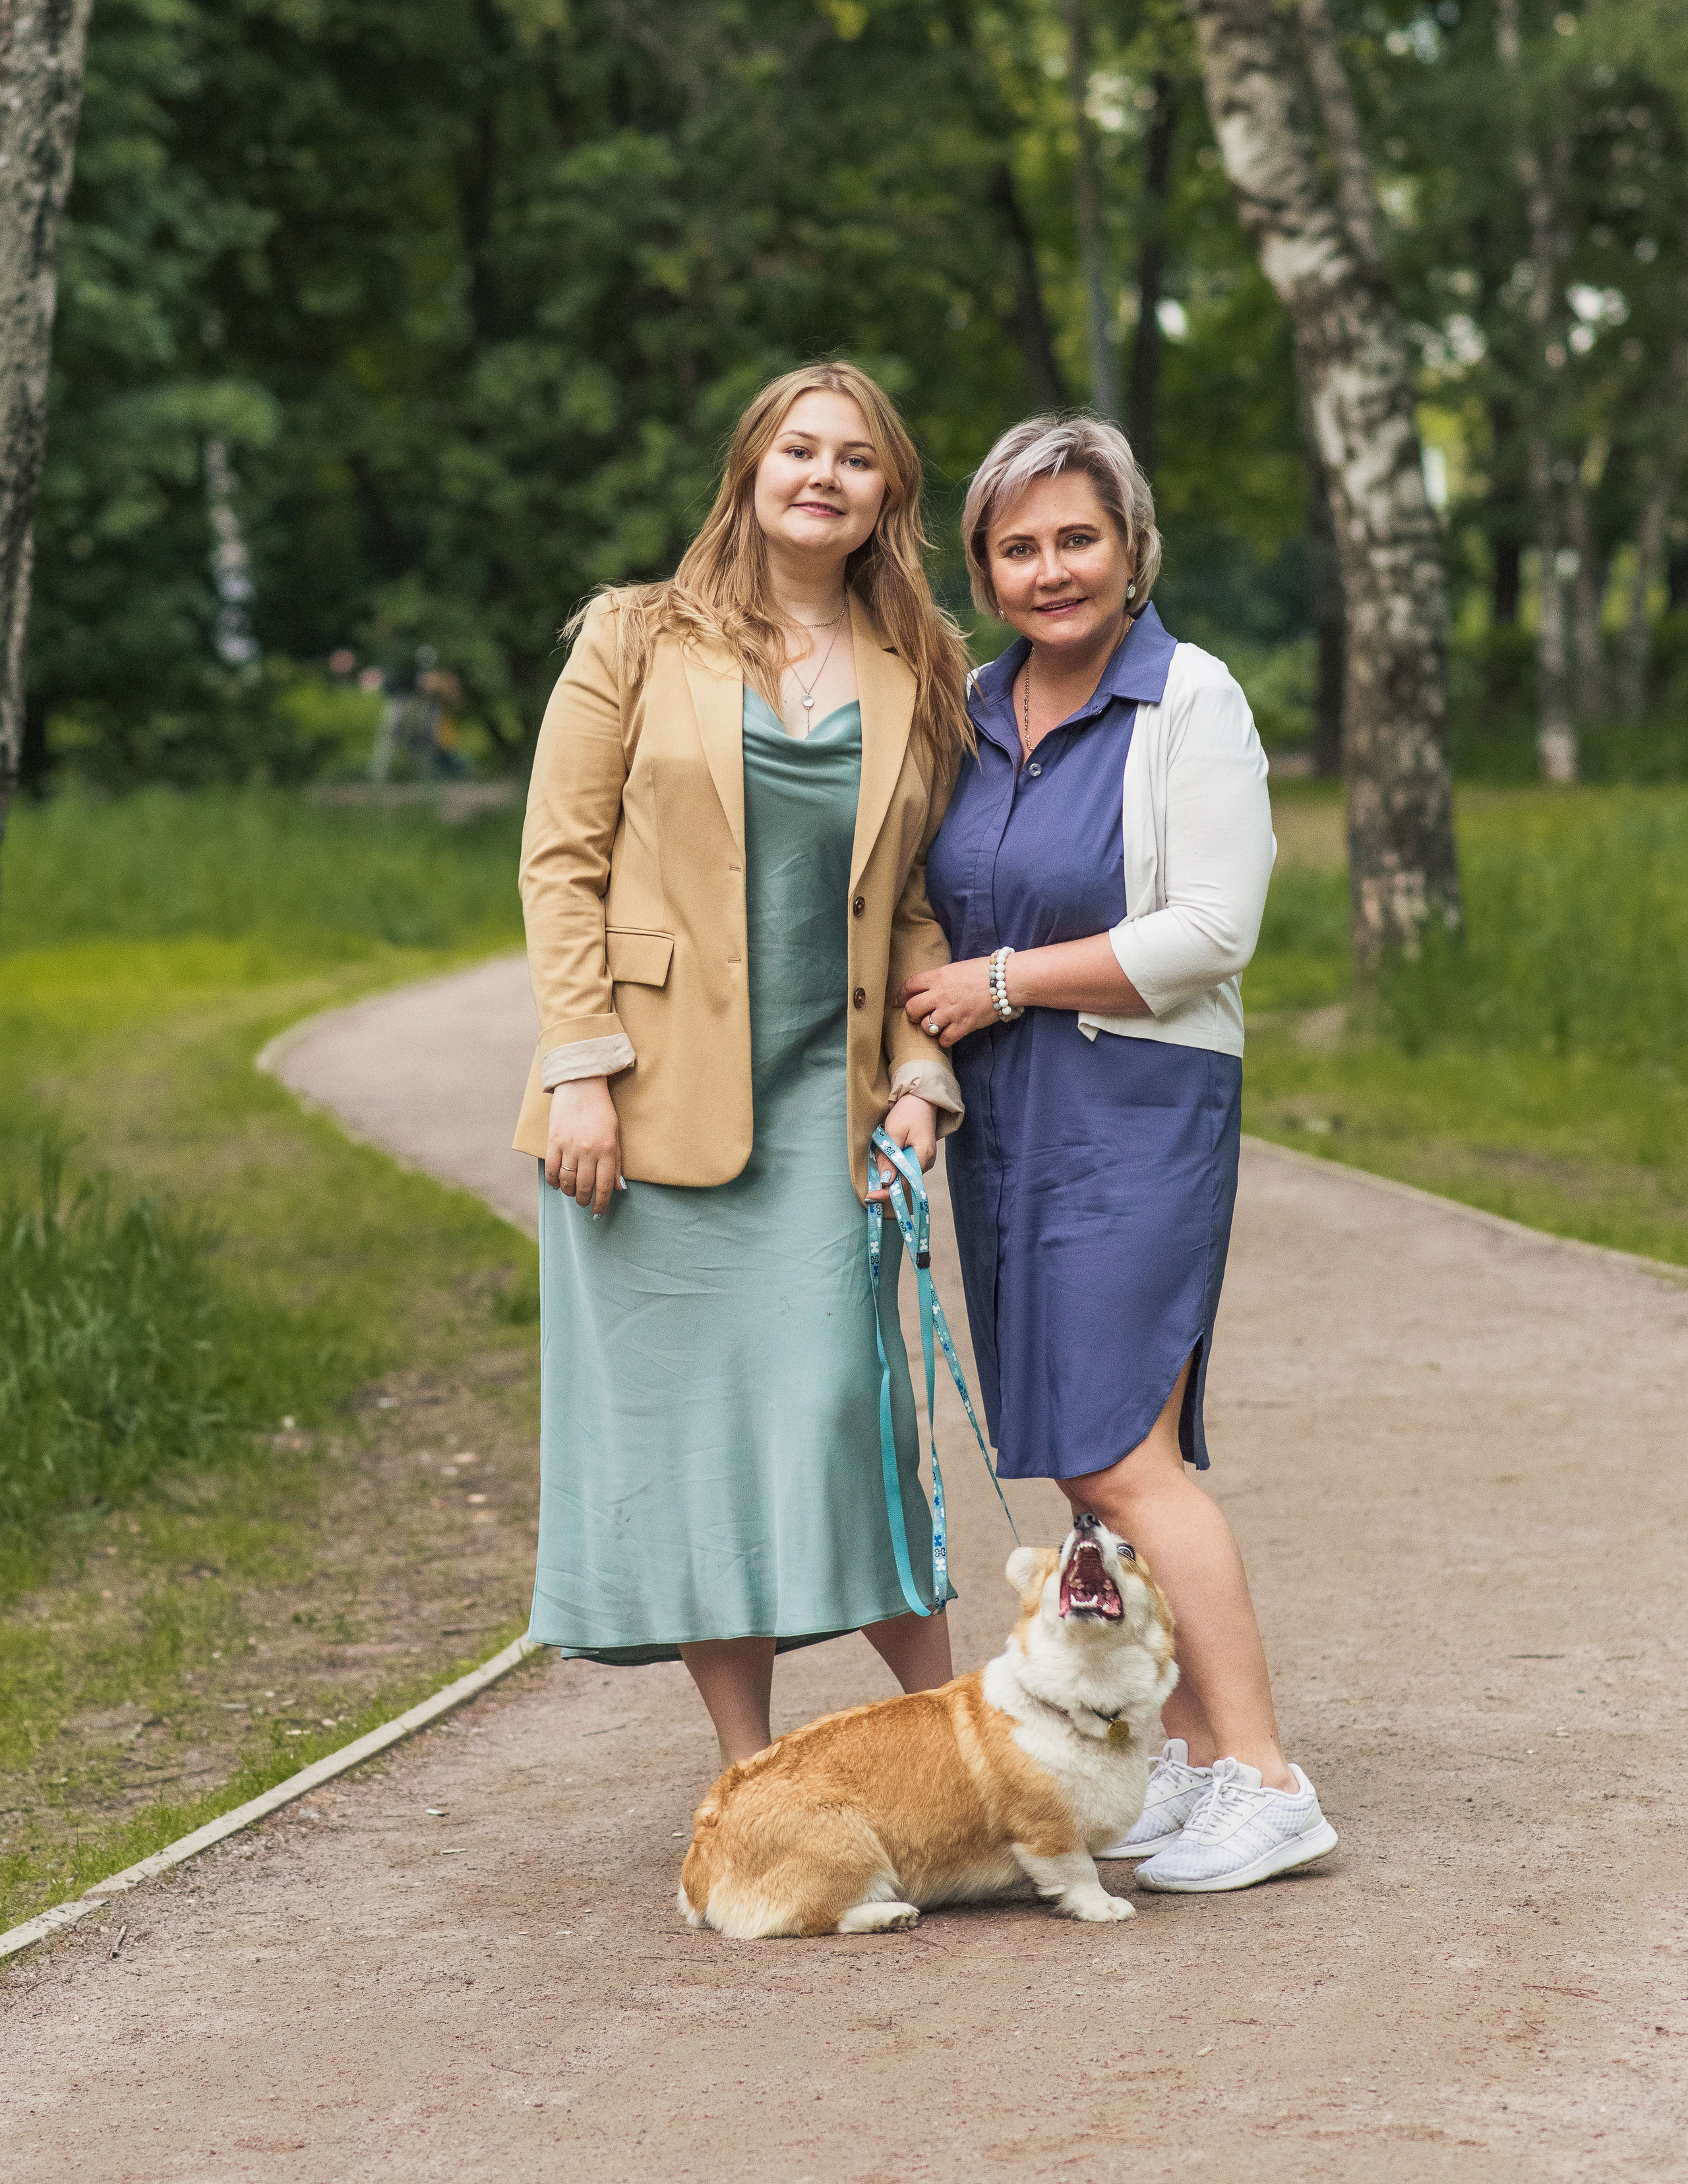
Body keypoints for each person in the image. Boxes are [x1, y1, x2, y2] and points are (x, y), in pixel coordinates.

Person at [513, 363, 975, 1769]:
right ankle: (748, 1773)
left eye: (854, 457)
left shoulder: (923, 668)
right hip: (643, 1114)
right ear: (751, 468)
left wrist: (919, 1078)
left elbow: (914, 902)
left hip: (827, 1114)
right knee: (698, 1444)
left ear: (887, 491)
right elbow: (560, 861)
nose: (822, 475)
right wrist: (580, 1067)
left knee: (848, 1416)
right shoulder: (633, 636)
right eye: (799, 449)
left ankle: (950, 1756)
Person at [901, 414, 1337, 1893]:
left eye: (1075, 537)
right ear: (981, 568)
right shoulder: (964, 708)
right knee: (1094, 1462)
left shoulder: (1188, 700)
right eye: (1015, 547)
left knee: (1118, 1451)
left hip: (1134, 1102)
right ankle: (1189, 1758)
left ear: (1131, 544)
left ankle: (1260, 1776)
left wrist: (1005, 981)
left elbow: (1213, 927)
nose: (1048, 569)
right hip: (1009, 1119)